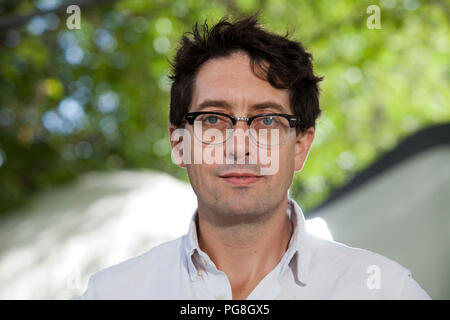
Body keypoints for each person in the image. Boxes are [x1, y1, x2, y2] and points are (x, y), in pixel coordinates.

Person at [77, 15, 430, 300]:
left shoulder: (385, 291)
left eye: (268, 120)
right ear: (179, 143)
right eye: (213, 118)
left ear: (301, 146)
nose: (240, 146)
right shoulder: (112, 293)